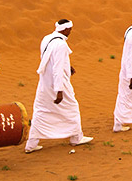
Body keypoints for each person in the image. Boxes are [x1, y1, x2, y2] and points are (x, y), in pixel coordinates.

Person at [25, 19, 93, 153]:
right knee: (72, 107)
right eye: (70, 30)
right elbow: (57, 68)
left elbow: (48, 58)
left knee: (41, 110)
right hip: (58, 83)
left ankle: (31, 145)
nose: (70, 33)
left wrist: (68, 67)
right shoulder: (61, 44)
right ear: (66, 29)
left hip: (45, 83)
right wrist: (59, 90)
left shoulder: (47, 38)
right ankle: (76, 138)